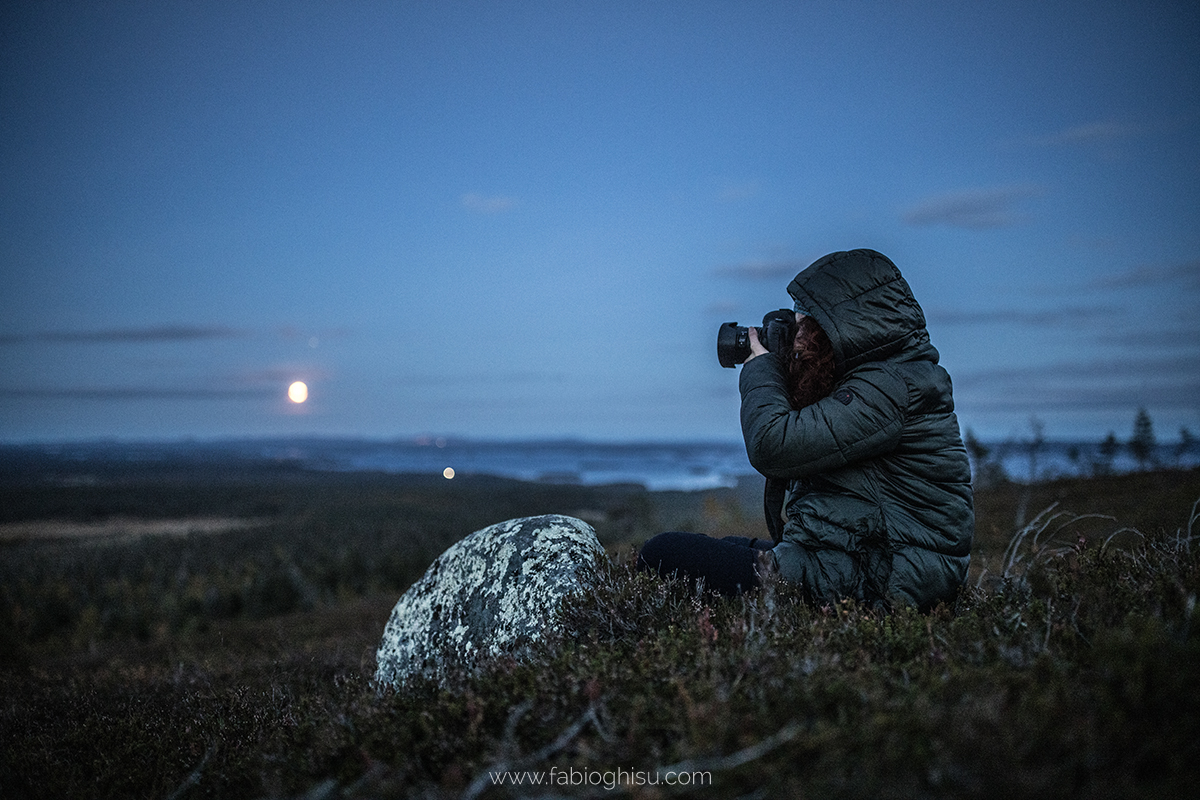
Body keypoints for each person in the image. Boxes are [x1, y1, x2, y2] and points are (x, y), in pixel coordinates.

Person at [638, 249, 974, 610]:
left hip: (884, 578)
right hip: (863, 558)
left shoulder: (890, 388)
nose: (798, 340)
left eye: (805, 327)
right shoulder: (881, 379)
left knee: (663, 553)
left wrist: (762, 367)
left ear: (843, 325)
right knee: (721, 547)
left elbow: (773, 445)